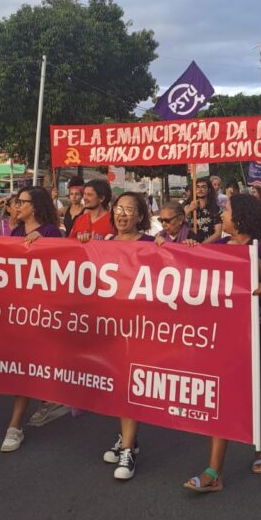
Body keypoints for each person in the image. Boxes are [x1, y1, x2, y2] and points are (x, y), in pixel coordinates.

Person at [184, 194, 261, 491]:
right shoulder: (216, 246)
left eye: (226, 211)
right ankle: (214, 472)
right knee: (222, 394)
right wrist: (189, 249)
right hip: (225, 335)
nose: (221, 216)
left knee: (259, 392)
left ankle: (260, 447)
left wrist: (248, 257)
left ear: (240, 218)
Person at [0, 187, 62, 452]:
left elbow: (60, 267)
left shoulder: (50, 233)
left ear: (34, 206)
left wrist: (44, 245)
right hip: (18, 308)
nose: (16, 206)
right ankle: (49, 399)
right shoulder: (15, 233)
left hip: (40, 311)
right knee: (25, 366)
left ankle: (14, 427)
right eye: (16, 202)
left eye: (21, 202)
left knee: (25, 368)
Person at [101, 193, 155, 480]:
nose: (122, 214)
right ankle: (126, 438)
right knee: (118, 386)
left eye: (129, 210)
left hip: (139, 328)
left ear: (140, 216)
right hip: (109, 327)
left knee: (129, 386)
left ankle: (129, 448)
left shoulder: (150, 244)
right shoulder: (103, 243)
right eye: (118, 209)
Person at [184, 178, 222, 243]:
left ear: (209, 190)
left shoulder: (215, 209)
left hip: (208, 247)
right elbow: (178, 222)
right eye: (197, 187)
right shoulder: (187, 206)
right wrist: (189, 209)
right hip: (190, 245)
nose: (200, 190)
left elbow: (218, 233)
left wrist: (202, 245)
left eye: (203, 187)